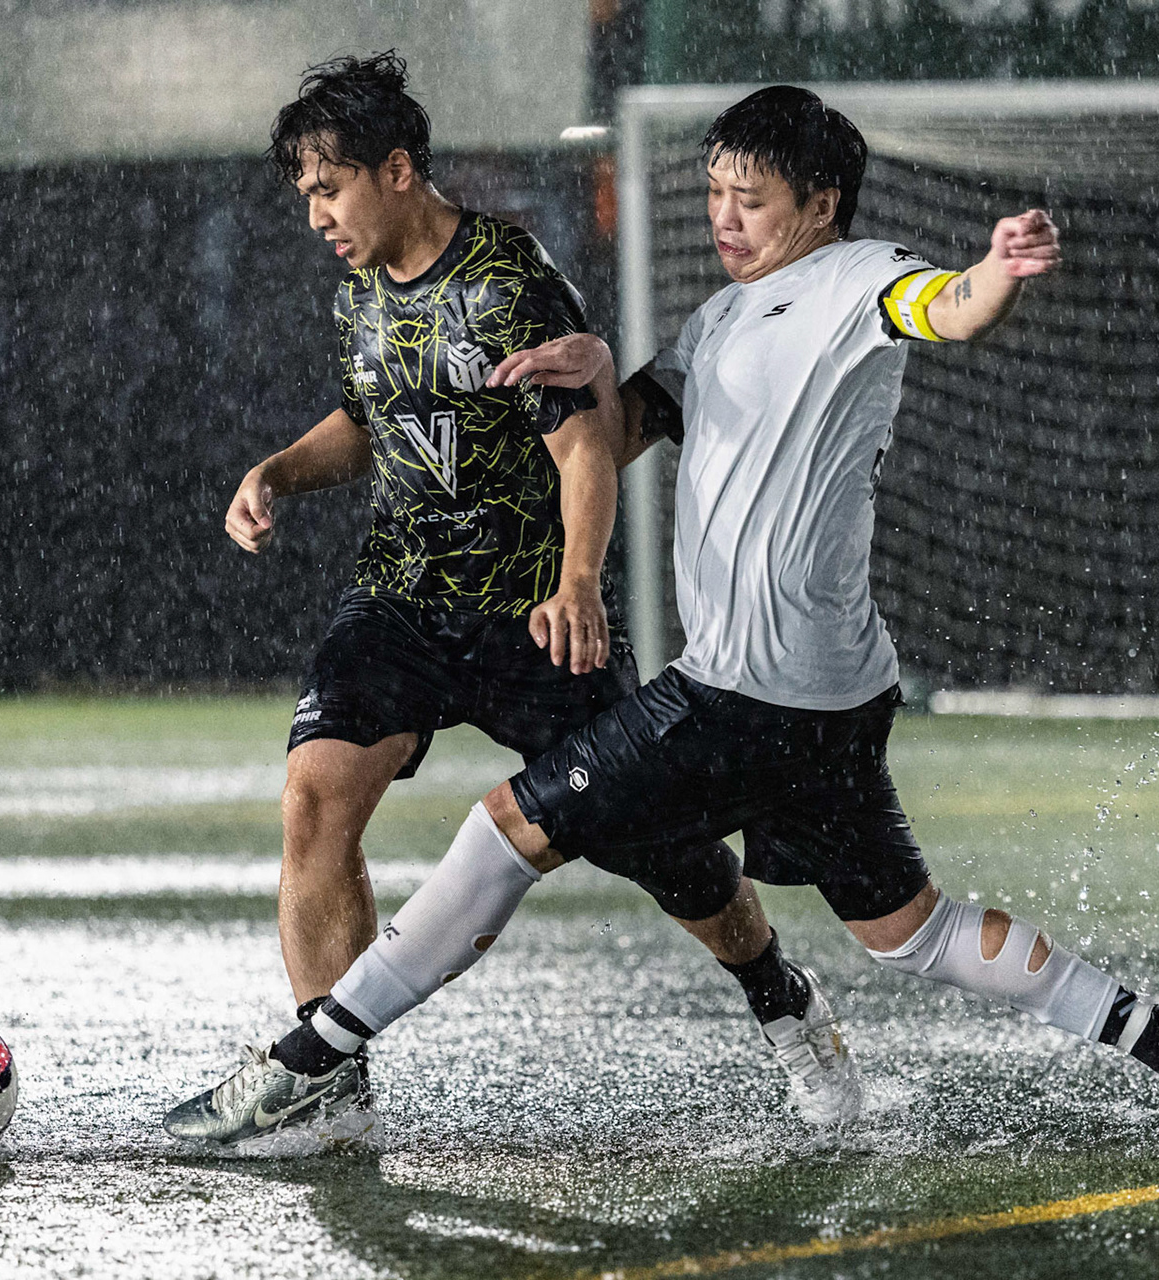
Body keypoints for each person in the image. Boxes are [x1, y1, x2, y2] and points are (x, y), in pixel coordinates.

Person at [192, 84, 1159, 1149]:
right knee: (912, 931)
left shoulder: (862, 278)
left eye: (748, 198)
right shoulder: (718, 320)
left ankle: (305, 1064)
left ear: (819, 204)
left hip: (745, 689)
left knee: (505, 829)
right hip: (831, 694)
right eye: (713, 192)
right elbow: (612, 440)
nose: (722, 217)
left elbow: (946, 307)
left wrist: (995, 270)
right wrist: (594, 378)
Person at [164, 59, 861, 1153]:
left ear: (398, 171)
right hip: (401, 598)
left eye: (330, 188)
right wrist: (280, 471)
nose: (317, 216)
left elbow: (586, 440)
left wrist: (578, 580)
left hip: (531, 613)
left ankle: (779, 994)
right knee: (315, 796)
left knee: (664, 848)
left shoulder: (504, 281)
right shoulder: (358, 293)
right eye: (305, 193)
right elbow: (375, 419)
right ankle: (327, 1078)